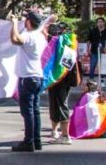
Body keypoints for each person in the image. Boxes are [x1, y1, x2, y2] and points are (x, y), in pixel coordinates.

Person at [10, 11, 55, 152]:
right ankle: (36, 140)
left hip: (27, 77)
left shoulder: (28, 36)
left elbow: (15, 40)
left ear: (28, 22)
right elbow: (40, 27)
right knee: (35, 111)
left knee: (28, 111)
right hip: (38, 76)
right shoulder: (40, 36)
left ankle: (28, 141)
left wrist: (14, 24)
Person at [46, 23, 81, 144]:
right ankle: (54, 131)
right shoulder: (71, 42)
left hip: (59, 78)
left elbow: (49, 39)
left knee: (60, 105)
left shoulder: (60, 42)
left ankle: (65, 135)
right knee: (55, 105)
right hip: (64, 78)